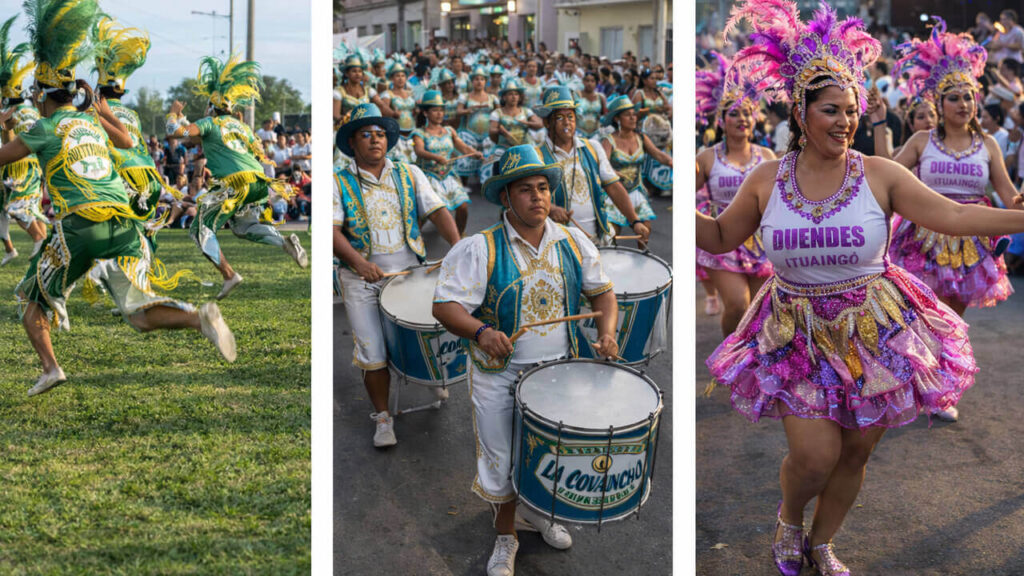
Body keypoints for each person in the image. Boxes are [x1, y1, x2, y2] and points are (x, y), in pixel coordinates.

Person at [699, 2, 1024, 573]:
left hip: (874, 328)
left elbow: (956, 216)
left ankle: (823, 542)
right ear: (801, 114)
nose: (845, 122)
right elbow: (724, 234)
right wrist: (676, 202)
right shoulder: (766, 178)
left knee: (855, 449)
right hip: (793, 330)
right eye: (830, 110)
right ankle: (790, 516)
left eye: (851, 110)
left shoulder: (880, 174)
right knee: (815, 453)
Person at [1, 0, 235, 395]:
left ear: (42, 95)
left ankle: (51, 368)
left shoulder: (44, 126)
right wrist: (95, 108)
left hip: (82, 224)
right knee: (136, 315)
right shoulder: (89, 124)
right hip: (125, 225)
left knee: (29, 299)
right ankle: (199, 318)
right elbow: (126, 141)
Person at [432, 144, 620, 576]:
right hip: (500, 373)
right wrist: (481, 332)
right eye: (525, 190)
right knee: (501, 457)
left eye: (543, 188)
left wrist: (607, 333)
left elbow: (603, 294)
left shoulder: (573, 240)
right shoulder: (480, 248)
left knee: (548, 455)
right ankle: (505, 537)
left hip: (558, 372)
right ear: (505, 198)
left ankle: (537, 514)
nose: (538, 197)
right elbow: (445, 307)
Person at [333, 102, 461, 448]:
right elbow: (332, 232)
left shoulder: (410, 173)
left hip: (410, 274)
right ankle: (383, 418)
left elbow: (438, 210)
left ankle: (428, 374)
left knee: (424, 335)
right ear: (353, 143)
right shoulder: (338, 181)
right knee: (373, 350)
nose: (375, 140)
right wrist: (360, 264)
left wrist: (459, 247)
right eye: (366, 134)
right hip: (362, 281)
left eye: (380, 134)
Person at [165, 54, 308, 300]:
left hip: (234, 181)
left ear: (212, 107)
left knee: (200, 229)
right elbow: (257, 151)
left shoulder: (210, 122)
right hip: (258, 181)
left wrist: (174, 113)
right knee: (243, 227)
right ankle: (283, 242)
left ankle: (230, 275)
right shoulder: (241, 127)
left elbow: (175, 132)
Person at [694, 52, 775, 336]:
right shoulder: (706, 158)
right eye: (734, 113)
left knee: (759, 310)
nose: (742, 118)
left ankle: (748, 362)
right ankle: (728, 353)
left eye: (747, 112)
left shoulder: (767, 156)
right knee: (738, 305)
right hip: (722, 239)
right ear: (721, 121)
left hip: (761, 242)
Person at [535, 85, 649, 247]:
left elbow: (613, 187)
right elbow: (531, 197)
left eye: (570, 117)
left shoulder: (593, 148)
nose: (566, 122)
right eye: (559, 118)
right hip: (557, 243)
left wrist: (635, 221)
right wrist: (551, 208)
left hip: (596, 238)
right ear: (547, 122)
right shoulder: (537, 156)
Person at [0, 16, 47, 265]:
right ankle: (45, 247)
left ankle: (42, 243)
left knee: (17, 209)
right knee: (30, 210)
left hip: (19, 165)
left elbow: (7, 141)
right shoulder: (31, 109)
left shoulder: (11, 113)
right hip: (34, 166)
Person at [411, 90, 482, 236]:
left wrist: (473, 153)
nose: (439, 114)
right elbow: (419, 151)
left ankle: (459, 236)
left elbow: (462, 147)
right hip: (429, 177)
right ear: (425, 113)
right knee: (426, 213)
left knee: (462, 207)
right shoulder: (419, 133)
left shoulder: (449, 131)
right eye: (435, 110)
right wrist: (436, 157)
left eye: (441, 110)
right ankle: (413, 239)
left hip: (449, 176)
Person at [600, 96, 670, 242]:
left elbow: (658, 155)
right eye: (627, 115)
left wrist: (673, 162)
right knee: (613, 235)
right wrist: (613, 172)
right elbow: (602, 163)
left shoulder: (641, 138)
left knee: (644, 232)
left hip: (636, 191)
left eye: (634, 114)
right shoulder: (608, 140)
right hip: (614, 193)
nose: (633, 118)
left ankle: (643, 262)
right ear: (617, 119)